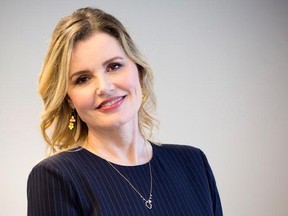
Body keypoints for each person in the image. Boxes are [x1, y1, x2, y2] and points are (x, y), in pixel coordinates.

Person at [27, 7, 223, 216]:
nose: (105, 87)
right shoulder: (56, 177)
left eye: (114, 66)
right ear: (69, 98)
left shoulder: (193, 163)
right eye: (82, 79)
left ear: (138, 70)